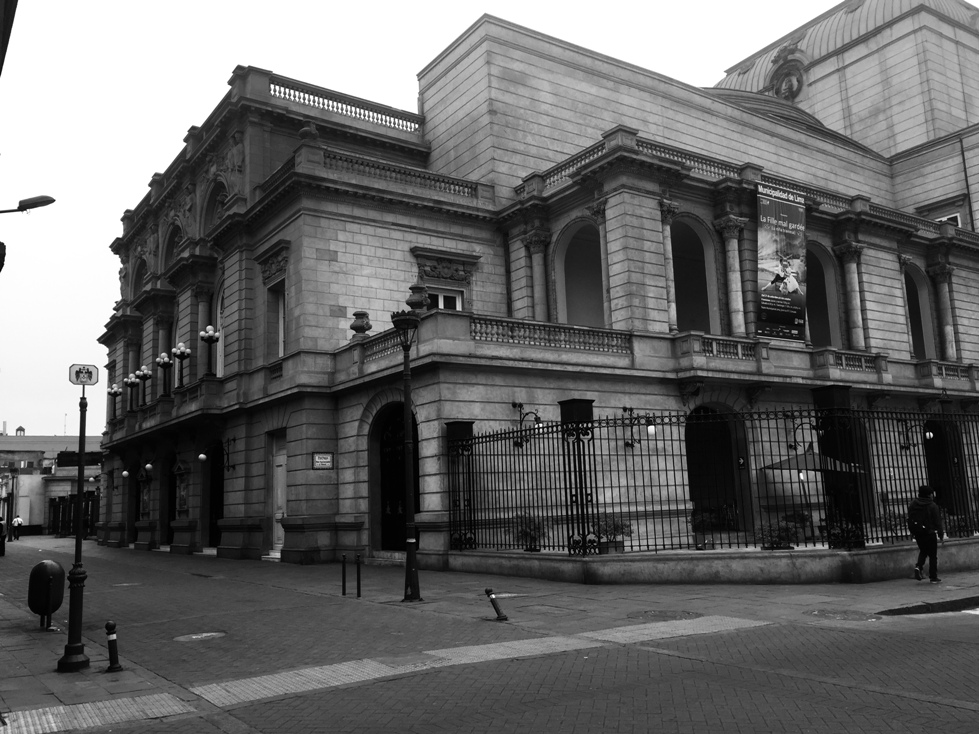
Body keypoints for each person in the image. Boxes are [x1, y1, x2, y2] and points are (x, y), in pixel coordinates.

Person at [907, 485, 945, 583]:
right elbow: (938, 521)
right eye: (932, 493)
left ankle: (918, 567)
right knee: (932, 555)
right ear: (929, 494)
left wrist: (913, 531)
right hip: (929, 532)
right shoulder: (932, 505)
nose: (933, 495)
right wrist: (941, 534)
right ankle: (933, 577)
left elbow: (910, 518)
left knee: (923, 550)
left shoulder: (913, 504)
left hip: (918, 532)